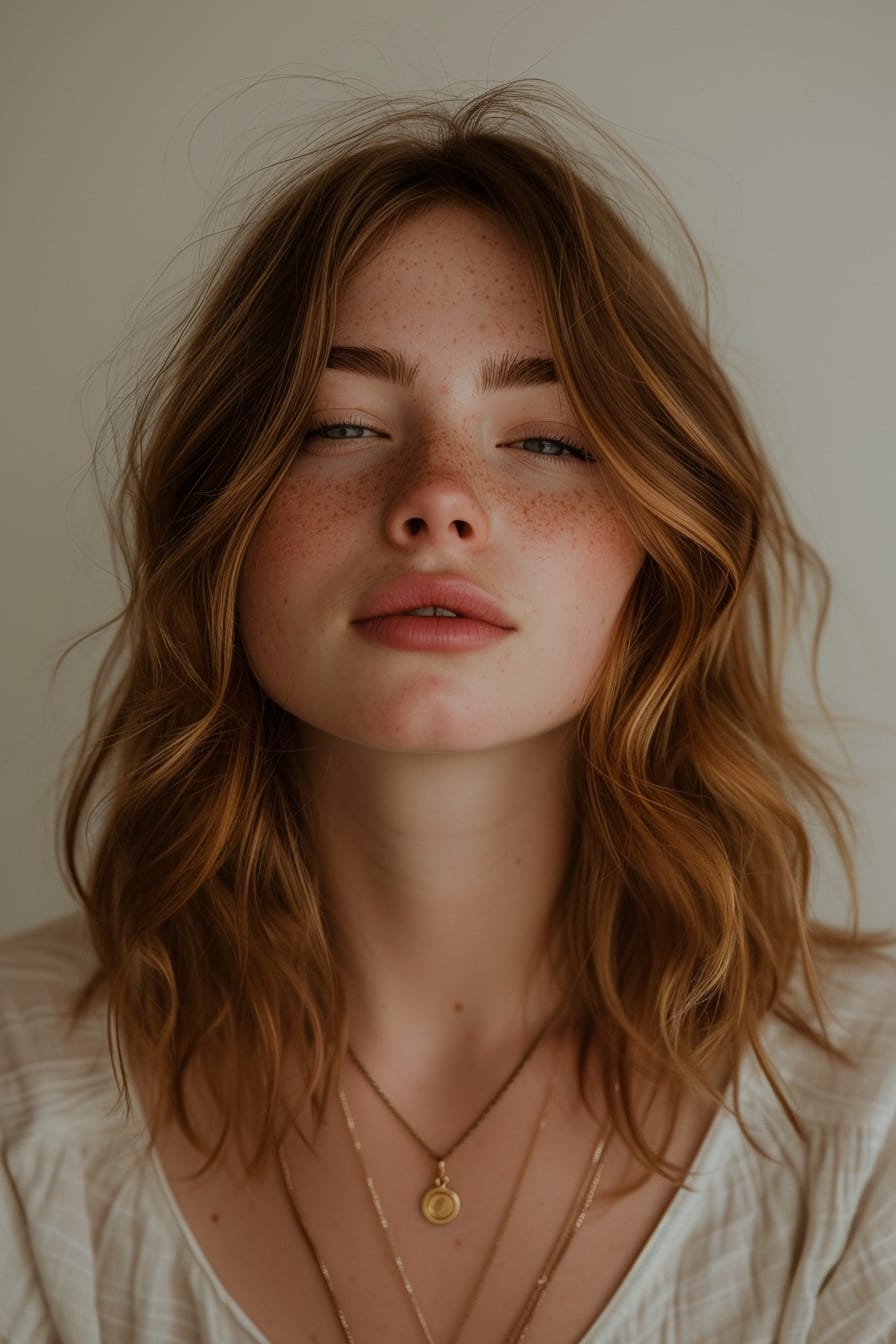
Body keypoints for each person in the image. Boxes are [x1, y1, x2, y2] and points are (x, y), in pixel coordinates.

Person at [1, 78, 894, 1344]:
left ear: (663, 546)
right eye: (340, 425)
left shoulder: (871, 1121)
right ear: (223, 528)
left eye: (544, 442)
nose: (437, 500)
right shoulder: (18, 1094)